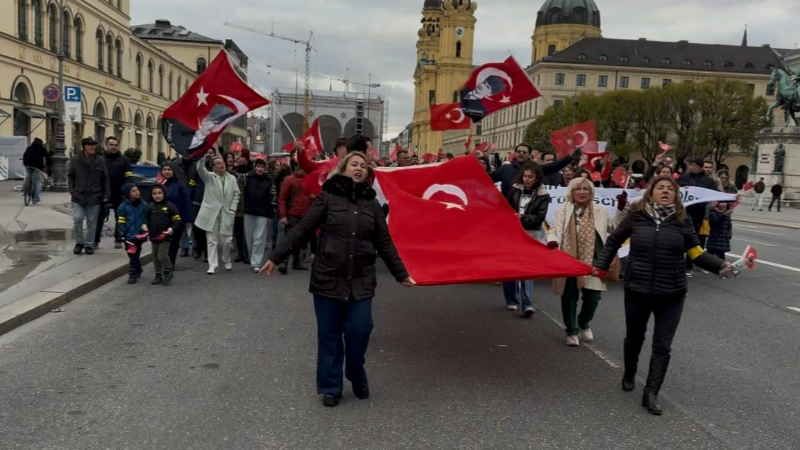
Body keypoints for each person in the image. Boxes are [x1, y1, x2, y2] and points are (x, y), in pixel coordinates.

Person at [260, 152, 413, 407]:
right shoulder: (328, 196)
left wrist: (401, 273)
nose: (359, 168)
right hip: (327, 277)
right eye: (354, 164)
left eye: (363, 166)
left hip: (361, 280)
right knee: (330, 334)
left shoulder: (371, 203)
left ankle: (355, 370)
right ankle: (331, 386)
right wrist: (277, 255)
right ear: (342, 169)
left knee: (360, 330)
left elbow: (384, 241)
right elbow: (304, 227)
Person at [593, 176, 734, 415]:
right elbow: (615, 240)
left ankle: (651, 391)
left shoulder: (683, 220)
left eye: (670, 188)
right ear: (651, 193)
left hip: (671, 293)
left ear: (676, 195)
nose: (666, 191)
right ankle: (629, 372)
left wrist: (721, 266)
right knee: (634, 338)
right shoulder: (636, 216)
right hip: (638, 290)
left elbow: (697, 253)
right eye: (661, 187)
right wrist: (602, 265)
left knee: (662, 346)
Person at [547, 177, 618, 347]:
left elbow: (615, 227)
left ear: (591, 192)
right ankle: (571, 331)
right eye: (578, 189)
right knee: (569, 297)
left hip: (593, 260)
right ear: (571, 192)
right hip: (569, 259)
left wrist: (621, 210)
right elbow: (554, 230)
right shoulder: (562, 210)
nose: (582, 192)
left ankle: (583, 322)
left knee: (593, 297)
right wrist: (552, 241)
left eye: (586, 189)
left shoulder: (600, 210)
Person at [504, 163, 550, 316]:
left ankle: (527, 303)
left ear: (537, 178)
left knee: (527, 270)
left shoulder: (543, 195)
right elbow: (507, 208)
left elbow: (539, 218)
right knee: (511, 267)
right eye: (525, 176)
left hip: (531, 234)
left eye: (530, 177)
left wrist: (521, 217)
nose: (527, 179)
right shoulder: (515, 189)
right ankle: (511, 299)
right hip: (513, 233)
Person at [195, 154, 240, 274]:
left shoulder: (232, 178)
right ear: (213, 167)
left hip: (226, 212)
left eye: (223, 163)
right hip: (211, 212)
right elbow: (200, 169)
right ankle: (212, 265)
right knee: (211, 240)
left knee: (227, 241)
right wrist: (202, 156)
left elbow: (236, 194)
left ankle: (226, 258)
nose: (221, 165)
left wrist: (232, 209)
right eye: (218, 163)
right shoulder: (209, 177)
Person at [67, 137, 110, 255]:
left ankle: (89, 244)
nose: (93, 147)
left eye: (94, 145)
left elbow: (105, 178)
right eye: (90, 145)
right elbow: (71, 175)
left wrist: (106, 194)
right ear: (84, 147)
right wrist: (72, 190)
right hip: (79, 195)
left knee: (92, 221)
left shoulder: (100, 160)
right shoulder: (75, 160)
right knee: (78, 219)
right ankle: (79, 242)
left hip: (94, 195)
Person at [678, 158, 718, 276]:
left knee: (692, 239)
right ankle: (676, 263)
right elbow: (674, 189)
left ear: (699, 167)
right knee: (678, 238)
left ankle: (688, 266)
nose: (690, 166)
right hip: (681, 213)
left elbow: (715, 194)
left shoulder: (708, 181)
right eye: (689, 164)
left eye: (692, 165)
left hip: (697, 215)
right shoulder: (683, 178)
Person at [490, 144, 579, 196]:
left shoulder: (535, 168)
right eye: (519, 151)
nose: (521, 153)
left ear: (529, 155)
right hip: (507, 208)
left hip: (527, 209)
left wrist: (569, 158)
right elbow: (486, 178)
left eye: (524, 152)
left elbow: (552, 166)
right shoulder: (505, 168)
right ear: (515, 154)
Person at [96, 136, 133, 249]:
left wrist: (128, 190)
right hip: (103, 193)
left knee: (120, 218)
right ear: (106, 146)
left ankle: (118, 238)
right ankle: (95, 241)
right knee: (99, 217)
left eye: (115, 145)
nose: (113, 147)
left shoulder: (124, 160)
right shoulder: (100, 159)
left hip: (119, 193)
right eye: (111, 145)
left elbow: (129, 176)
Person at [278, 167, 313, 274]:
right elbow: (282, 198)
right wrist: (283, 215)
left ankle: (296, 262)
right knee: (290, 239)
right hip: (293, 213)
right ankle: (285, 262)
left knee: (300, 239)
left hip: (304, 214)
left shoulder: (308, 179)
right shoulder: (289, 180)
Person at [243, 158, 274, 273]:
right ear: (255, 167)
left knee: (259, 238)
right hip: (249, 211)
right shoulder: (248, 178)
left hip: (263, 212)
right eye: (258, 166)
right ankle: (252, 257)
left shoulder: (269, 180)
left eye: (262, 167)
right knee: (250, 238)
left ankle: (256, 262)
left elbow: (272, 198)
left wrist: (271, 214)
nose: (260, 169)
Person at [147, 184, 182, 285]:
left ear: (164, 194)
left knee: (162, 255)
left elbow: (177, 220)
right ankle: (158, 274)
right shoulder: (150, 206)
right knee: (155, 256)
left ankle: (167, 271)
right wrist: (144, 226)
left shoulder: (170, 206)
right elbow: (145, 219)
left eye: (159, 193)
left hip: (166, 235)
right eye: (154, 194)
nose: (157, 196)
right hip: (154, 235)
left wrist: (171, 229)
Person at [161, 162, 193, 268]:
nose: (166, 172)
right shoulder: (160, 184)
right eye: (164, 169)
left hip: (177, 218)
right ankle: (164, 261)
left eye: (169, 169)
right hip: (162, 217)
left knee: (174, 242)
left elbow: (186, 201)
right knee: (164, 241)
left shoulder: (180, 184)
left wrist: (187, 219)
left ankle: (171, 262)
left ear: (173, 171)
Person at [116, 183, 149, 284]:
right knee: (131, 253)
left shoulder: (143, 205)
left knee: (135, 252)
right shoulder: (123, 207)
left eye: (137, 190)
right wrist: (121, 232)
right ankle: (138, 268)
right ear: (128, 194)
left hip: (139, 234)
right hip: (128, 234)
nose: (137, 192)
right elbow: (121, 221)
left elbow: (148, 217)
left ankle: (132, 273)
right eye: (133, 191)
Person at [233, 150, 253, 264]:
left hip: (249, 203)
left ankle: (247, 253)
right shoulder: (236, 170)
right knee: (238, 230)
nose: (237, 159)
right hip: (238, 204)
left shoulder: (252, 170)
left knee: (248, 230)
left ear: (245, 158)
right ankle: (240, 252)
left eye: (239, 157)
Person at [23, 137, 48, 204]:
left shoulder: (29, 148)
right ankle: (36, 198)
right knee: (38, 182)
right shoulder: (42, 149)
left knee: (27, 176)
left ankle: (25, 187)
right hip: (37, 166)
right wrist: (47, 166)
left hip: (27, 164)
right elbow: (47, 157)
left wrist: (24, 162)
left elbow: (24, 155)